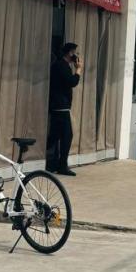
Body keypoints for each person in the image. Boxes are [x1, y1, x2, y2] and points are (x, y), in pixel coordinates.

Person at [47, 42, 81, 176]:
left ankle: (52, 163)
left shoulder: (60, 65)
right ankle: (62, 166)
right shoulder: (61, 66)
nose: (76, 55)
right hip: (61, 106)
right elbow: (72, 82)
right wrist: (78, 70)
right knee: (67, 136)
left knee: (55, 136)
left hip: (58, 106)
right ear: (70, 53)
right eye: (74, 52)